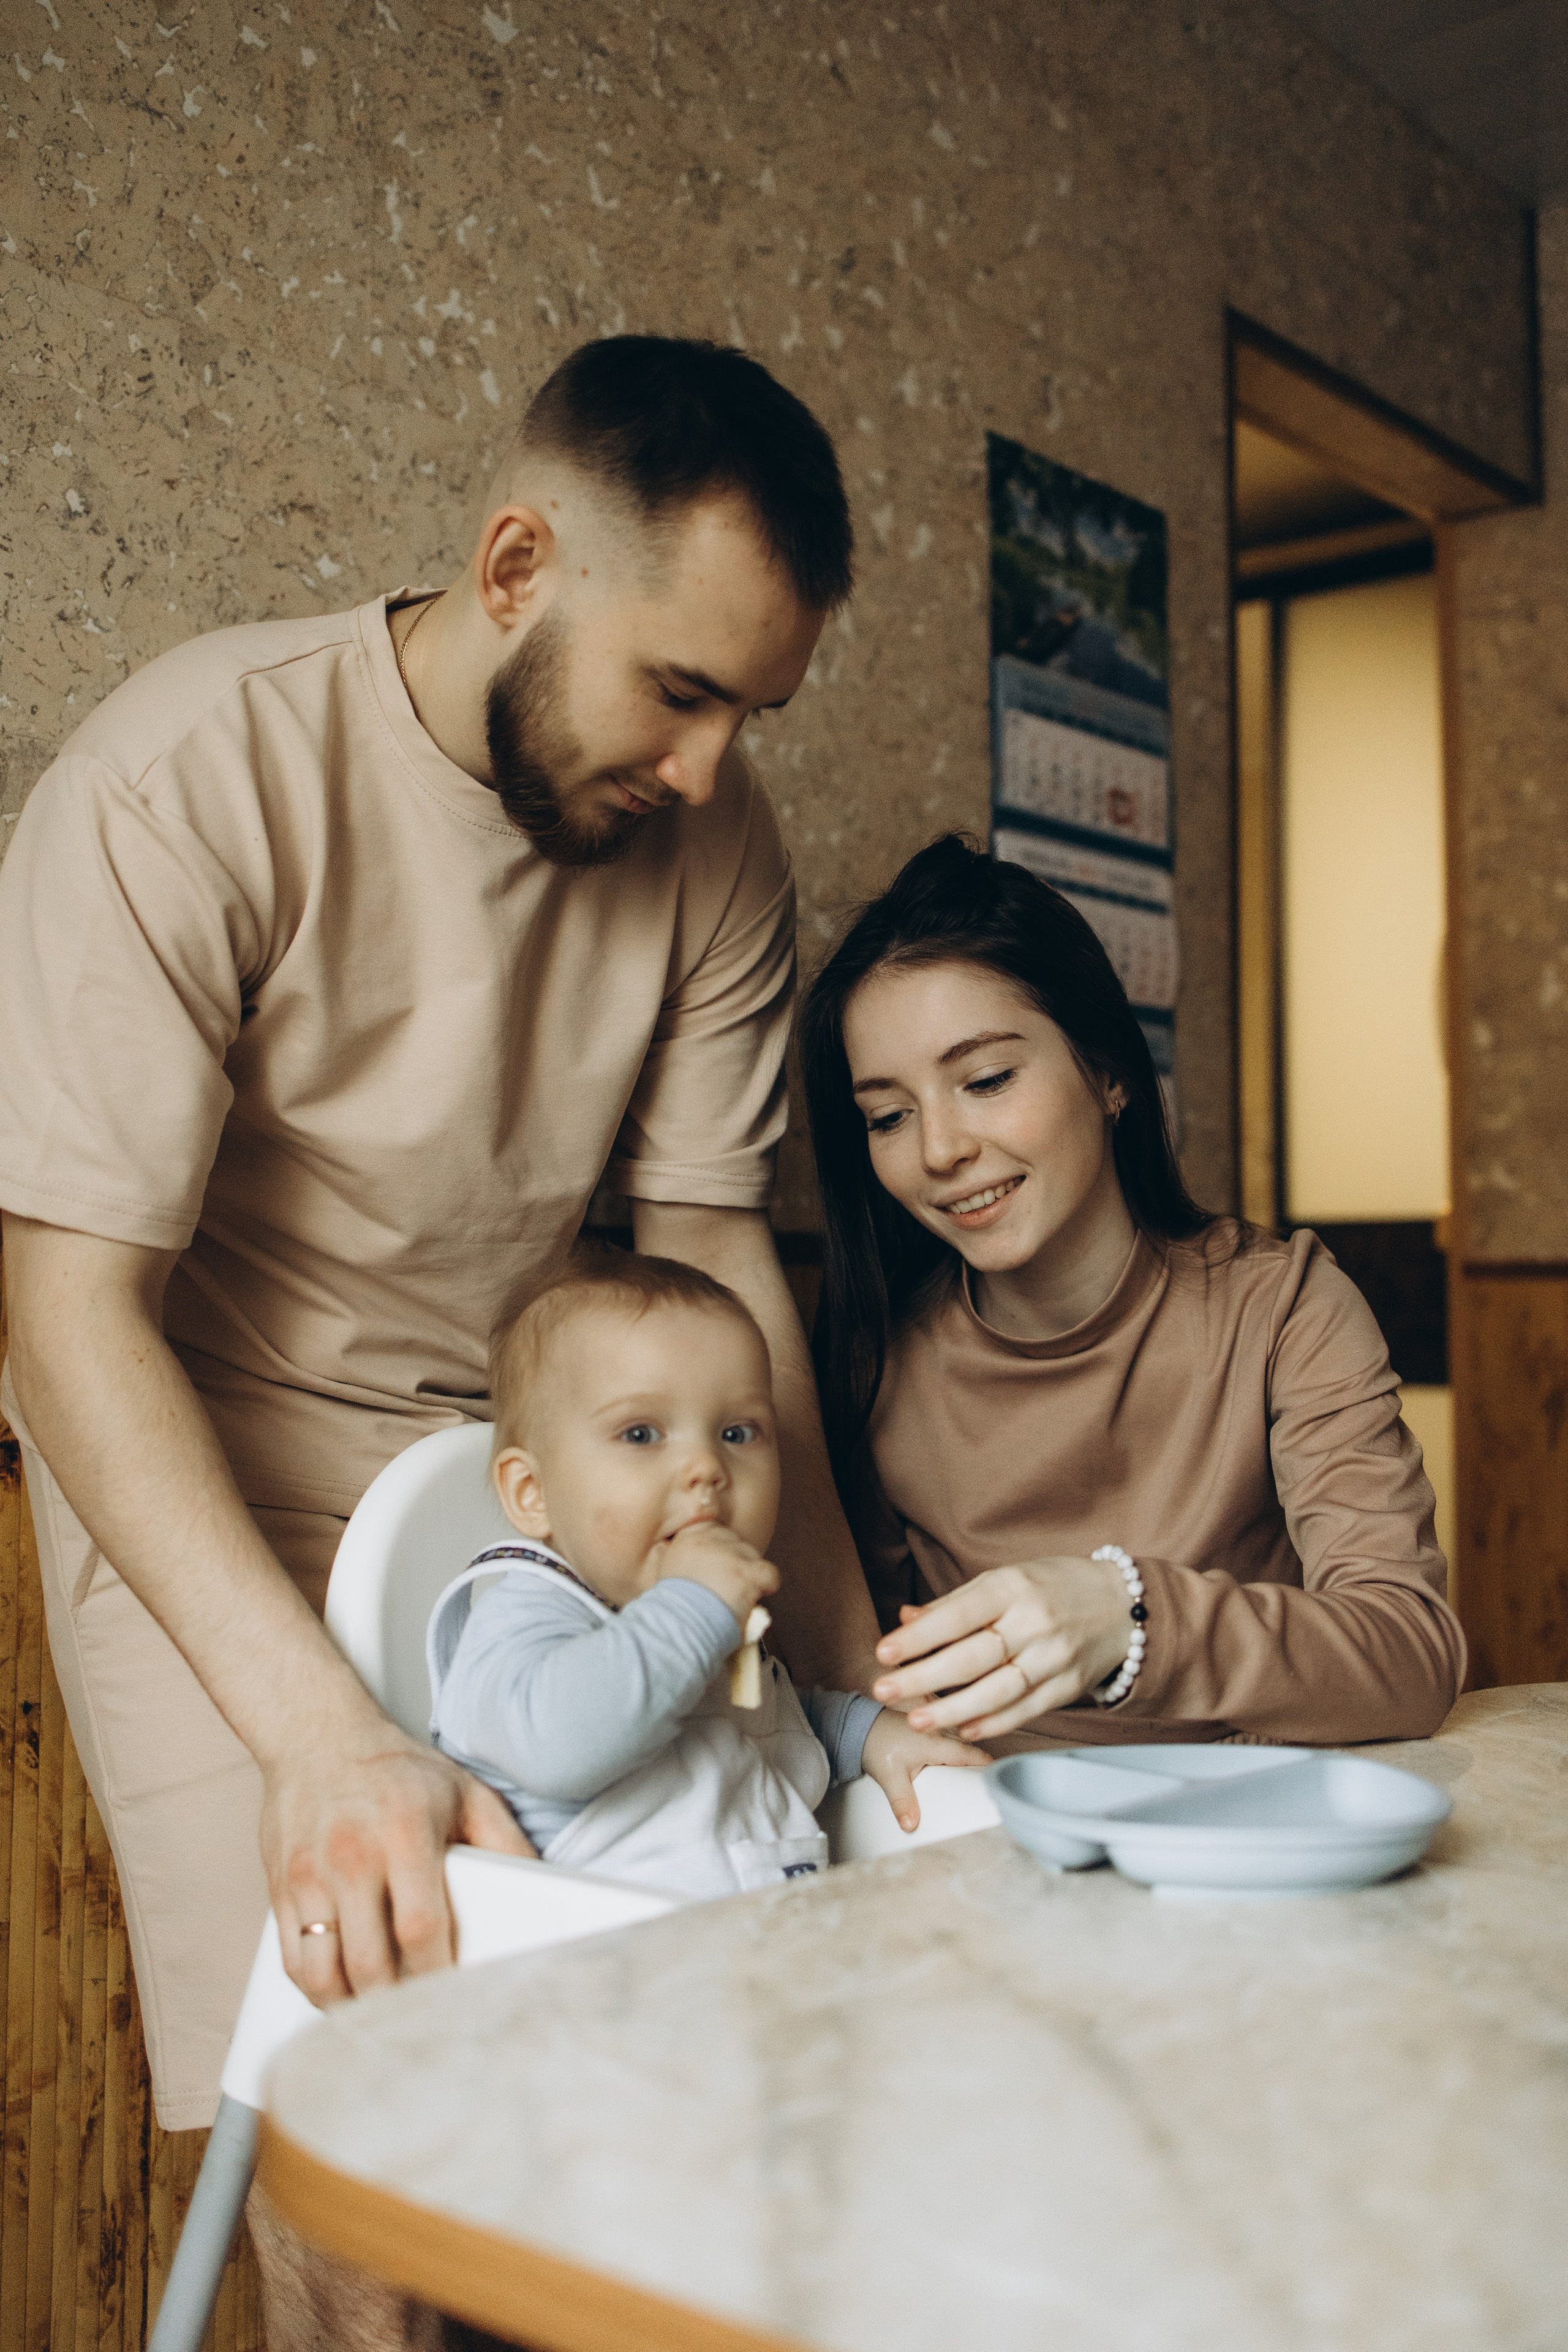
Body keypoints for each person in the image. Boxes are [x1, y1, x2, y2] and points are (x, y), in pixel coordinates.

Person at [0, 337, 888, 2171]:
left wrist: (859, 1691)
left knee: (615, 2056)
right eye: (679, 691)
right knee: (357, 2101)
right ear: (513, 571)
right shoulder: (183, 776)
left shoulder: (714, 844)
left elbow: (717, 1258)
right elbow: (67, 1302)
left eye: (751, 717)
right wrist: (325, 1739)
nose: (712, 770)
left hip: (536, 1480)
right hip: (210, 1459)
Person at [799, 834, 1466, 1750]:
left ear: (1109, 1075)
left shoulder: (1281, 1309)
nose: (939, 1149)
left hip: (1254, 1838)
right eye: (889, 1115)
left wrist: (1129, 1617)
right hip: (994, 1848)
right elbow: (864, 1686)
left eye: (987, 1080)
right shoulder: (877, 1361)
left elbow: (1409, 1657)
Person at [427, 1249, 979, 1894]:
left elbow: (768, 1723)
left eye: (738, 1433)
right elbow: (558, 1747)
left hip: (748, 1963)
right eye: (640, 1434)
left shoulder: (712, 1623)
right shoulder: (527, 1617)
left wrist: (862, 1735)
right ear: (533, 1493)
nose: (705, 1468)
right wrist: (692, 1607)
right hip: (593, 1977)